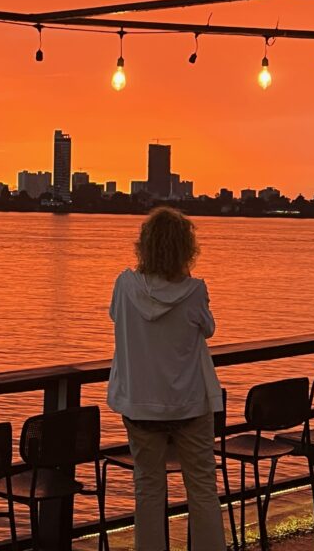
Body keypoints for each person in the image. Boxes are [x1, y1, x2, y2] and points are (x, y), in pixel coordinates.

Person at [107, 208, 226, 551]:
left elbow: (116, 316)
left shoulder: (125, 285)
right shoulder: (195, 291)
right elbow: (209, 329)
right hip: (190, 403)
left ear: (144, 246)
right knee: (202, 488)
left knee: (148, 489)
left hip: (140, 403)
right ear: (185, 249)